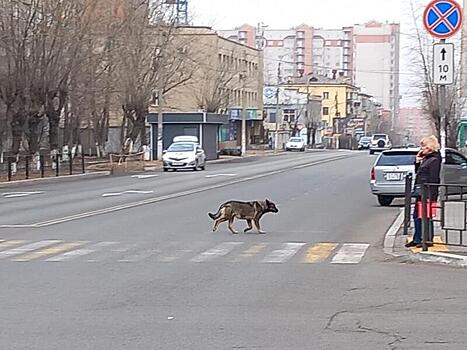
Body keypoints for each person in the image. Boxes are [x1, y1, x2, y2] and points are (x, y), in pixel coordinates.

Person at [405, 135, 442, 248]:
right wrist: (417, 161)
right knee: (417, 215)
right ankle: (417, 238)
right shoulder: (427, 159)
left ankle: (427, 239)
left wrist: (430, 194)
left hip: (428, 193)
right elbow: (419, 172)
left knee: (426, 216)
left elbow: (434, 178)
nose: (421, 149)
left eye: (424, 146)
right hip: (421, 192)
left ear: (430, 147)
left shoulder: (434, 159)